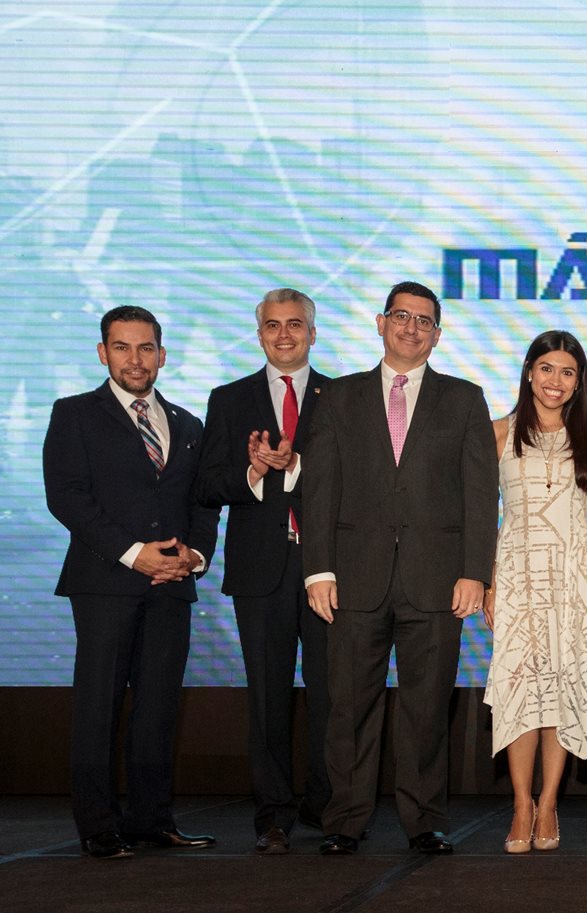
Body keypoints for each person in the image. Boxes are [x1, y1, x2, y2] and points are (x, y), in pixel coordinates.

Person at [302, 281, 498, 856]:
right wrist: (318, 570)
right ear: (381, 323)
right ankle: (345, 820)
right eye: (402, 316)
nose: (412, 328)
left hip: (436, 580)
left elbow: (479, 493)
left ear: (437, 335)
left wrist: (475, 571)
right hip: (352, 578)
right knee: (349, 707)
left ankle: (424, 820)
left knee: (426, 708)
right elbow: (320, 489)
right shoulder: (339, 396)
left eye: (424, 321)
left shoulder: (464, 398)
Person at [43, 305, 219, 860]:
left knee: (159, 707)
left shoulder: (188, 424)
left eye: (145, 348)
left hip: (173, 584)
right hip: (103, 584)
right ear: (103, 353)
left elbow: (202, 503)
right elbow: (66, 497)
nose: (135, 359)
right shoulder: (73, 413)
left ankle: (151, 820)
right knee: (99, 705)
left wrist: (194, 556)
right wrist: (133, 554)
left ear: (162, 355)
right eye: (122, 347)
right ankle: (98, 826)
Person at [195, 288, 332, 854]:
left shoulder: (342, 396)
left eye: (295, 324)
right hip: (259, 572)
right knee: (268, 698)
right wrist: (253, 473)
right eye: (273, 325)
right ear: (259, 335)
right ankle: (272, 816)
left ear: (312, 333)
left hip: (329, 570)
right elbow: (207, 485)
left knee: (332, 696)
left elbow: (358, 481)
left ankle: (327, 809)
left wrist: (296, 465)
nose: (284, 335)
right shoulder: (228, 399)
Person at [483, 330, 587, 854]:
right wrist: (488, 580)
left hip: (575, 578)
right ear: (529, 372)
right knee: (519, 690)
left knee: (562, 690)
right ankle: (520, 804)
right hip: (516, 574)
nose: (555, 380)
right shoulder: (497, 432)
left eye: (567, 372)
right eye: (546, 368)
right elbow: (479, 513)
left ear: (578, 382)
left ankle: (548, 802)